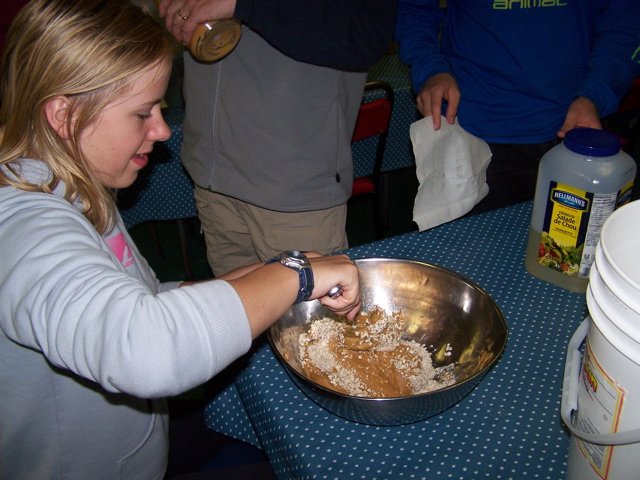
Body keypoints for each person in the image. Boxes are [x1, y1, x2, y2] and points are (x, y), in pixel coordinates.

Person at [0, 1, 361, 479]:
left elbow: (143, 305)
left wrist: (283, 263)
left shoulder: (70, 184)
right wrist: (298, 276)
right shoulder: (24, 226)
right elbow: (144, 347)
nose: (162, 130)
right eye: (141, 113)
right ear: (63, 115)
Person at [157, 0, 398, 276]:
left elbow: (367, 33)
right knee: (238, 317)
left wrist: (243, 4)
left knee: (308, 318)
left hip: (293, 189)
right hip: (213, 177)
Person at [394, 0, 640, 213]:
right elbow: (414, 9)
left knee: (568, 256)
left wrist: (595, 94)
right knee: (466, 254)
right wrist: (431, 70)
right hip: (472, 128)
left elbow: (626, 24)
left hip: (577, 128)